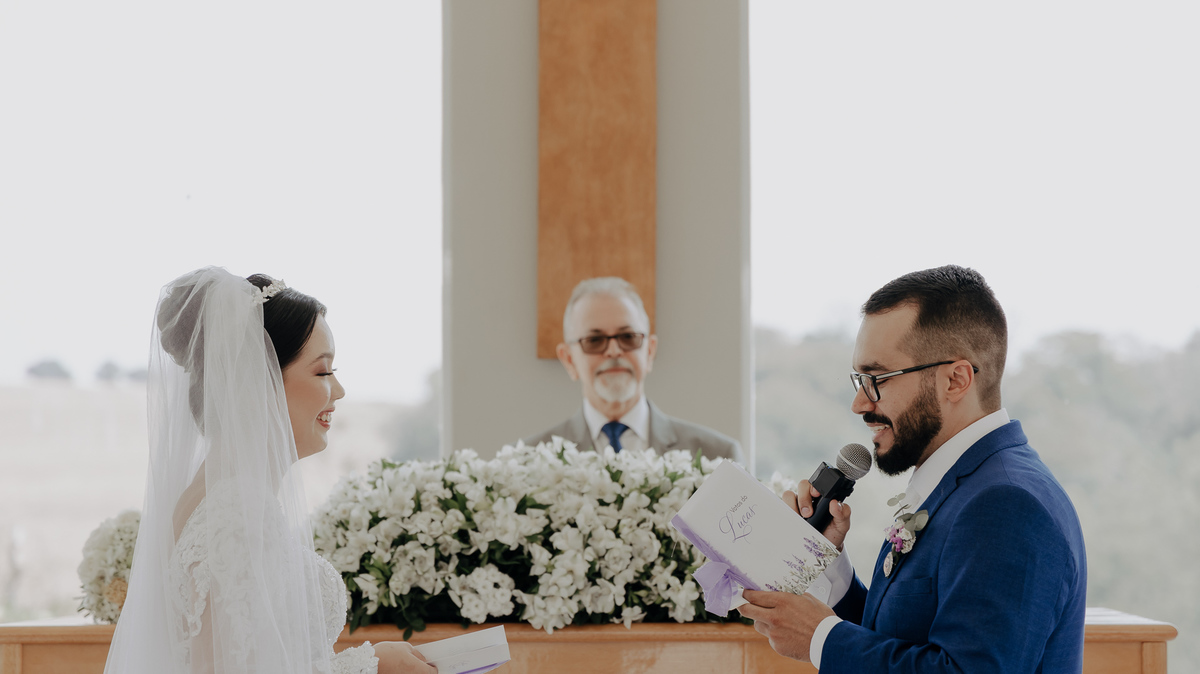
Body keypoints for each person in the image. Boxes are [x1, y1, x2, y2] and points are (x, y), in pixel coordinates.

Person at [738, 265, 1087, 672]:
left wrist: (819, 638)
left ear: (955, 380)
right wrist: (830, 566)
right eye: (860, 380)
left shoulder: (1006, 504)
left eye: (878, 378)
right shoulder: (968, 486)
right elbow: (906, 639)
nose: (860, 404)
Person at [105, 267, 434, 674]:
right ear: (257, 384)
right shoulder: (235, 509)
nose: (340, 391)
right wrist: (373, 665)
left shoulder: (215, 494)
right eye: (322, 371)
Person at [524, 276, 742, 461]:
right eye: (594, 340)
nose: (613, 351)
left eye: (628, 337)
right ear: (569, 359)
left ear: (649, 351)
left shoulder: (717, 457)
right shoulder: (530, 460)